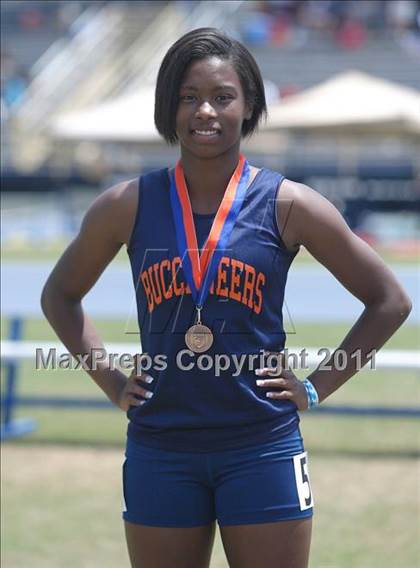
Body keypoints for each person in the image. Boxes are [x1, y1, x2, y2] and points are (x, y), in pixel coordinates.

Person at [41, 27, 412, 568]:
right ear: (169, 107)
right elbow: (61, 296)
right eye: (189, 97)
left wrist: (315, 386)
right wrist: (113, 382)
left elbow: (389, 299)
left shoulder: (289, 204)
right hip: (161, 447)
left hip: (261, 444)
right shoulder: (126, 205)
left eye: (221, 97)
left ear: (250, 105)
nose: (205, 112)